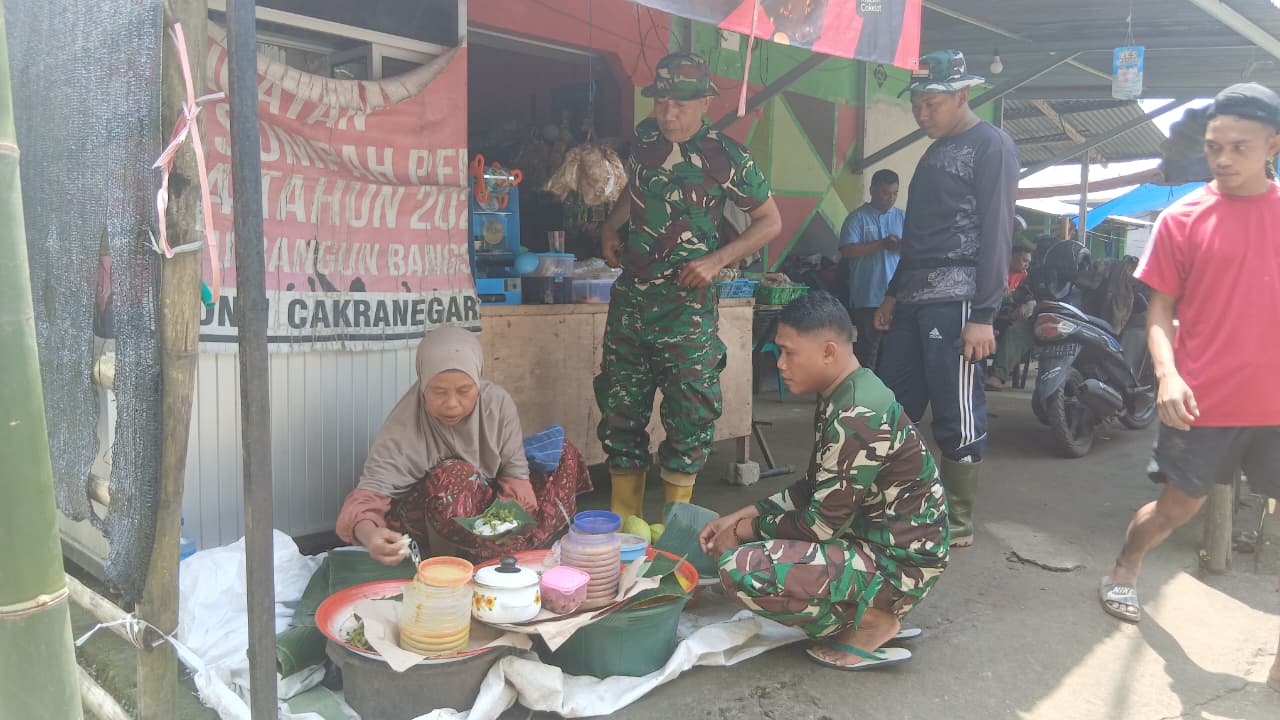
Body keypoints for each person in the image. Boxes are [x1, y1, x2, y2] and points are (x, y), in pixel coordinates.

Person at [1098, 84, 1280, 634]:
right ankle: (1125, 565)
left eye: (1240, 147)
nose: (1224, 159)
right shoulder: (1182, 218)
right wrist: (1167, 375)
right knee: (1176, 510)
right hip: (1205, 400)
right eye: (1214, 146)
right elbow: (1159, 310)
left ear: (1273, 145)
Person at [701, 291, 948, 670]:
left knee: (741, 570)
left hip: (900, 565)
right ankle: (867, 609)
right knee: (753, 542)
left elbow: (819, 526)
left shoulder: (856, 414)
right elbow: (812, 487)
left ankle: (871, 619)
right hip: (877, 545)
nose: (780, 364)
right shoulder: (845, 391)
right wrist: (739, 516)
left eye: (789, 353)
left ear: (828, 352)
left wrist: (743, 531)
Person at [596, 52, 782, 520]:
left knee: (689, 413)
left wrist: (716, 261)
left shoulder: (727, 157)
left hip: (686, 309)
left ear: (704, 102)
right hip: (632, 303)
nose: (668, 114)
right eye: (661, 102)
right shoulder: (645, 138)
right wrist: (612, 226)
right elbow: (638, 189)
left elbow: (770, 221)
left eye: (679, 104)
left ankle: (675, 527)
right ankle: (627, 528)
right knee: (620, 409)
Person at [873, 50, 1019, 547]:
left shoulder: (991, 145)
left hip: (958, 299)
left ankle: (957, 519)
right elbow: (918, 233)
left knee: (956, 408)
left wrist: (984, 314)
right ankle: (903, 502)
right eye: (915, 104)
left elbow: (998, 232)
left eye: (931, 104)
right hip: (913, 296)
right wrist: (893, 293)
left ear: (962, 95)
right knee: (895, 403)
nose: (921, 114)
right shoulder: (935, 150)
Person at [336, 327, 593, 563]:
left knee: (564, 454)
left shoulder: (497, 405)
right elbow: (367, 497)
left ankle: (502, 546)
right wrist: (371, 537)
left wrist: (504, 524)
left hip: (487, 502)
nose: (452, 404)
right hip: (433, 519)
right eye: (438, 391)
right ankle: (472, 555)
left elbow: (516, 475)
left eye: (464, 390)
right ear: (423, 385)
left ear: (478, 382)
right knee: (452, 475)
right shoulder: (405, 425)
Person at [838, 168, 904, 371]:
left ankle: (889, 389)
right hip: (867, 297)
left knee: (895, 353)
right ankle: (866, 388)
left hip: (898, 298)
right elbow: (847, 251)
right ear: (872, 190)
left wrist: (900, 245)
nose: (890, 198)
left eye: (895, 193)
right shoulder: (857, 218)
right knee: (868, 353)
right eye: (885, 193)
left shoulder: (903, 217)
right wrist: (881, 244)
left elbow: (916, 250)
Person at [985, 245, 1035, 391]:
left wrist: (1022, 303)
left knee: (1014, 330)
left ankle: (996, 374)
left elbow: (1026, 297)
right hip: (990, 313)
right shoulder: (998, 270)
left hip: (1009, 317)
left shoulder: (1026, 277)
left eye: (1029, 262)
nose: (1026, 264)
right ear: (1012, 257)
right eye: (1024, 260)